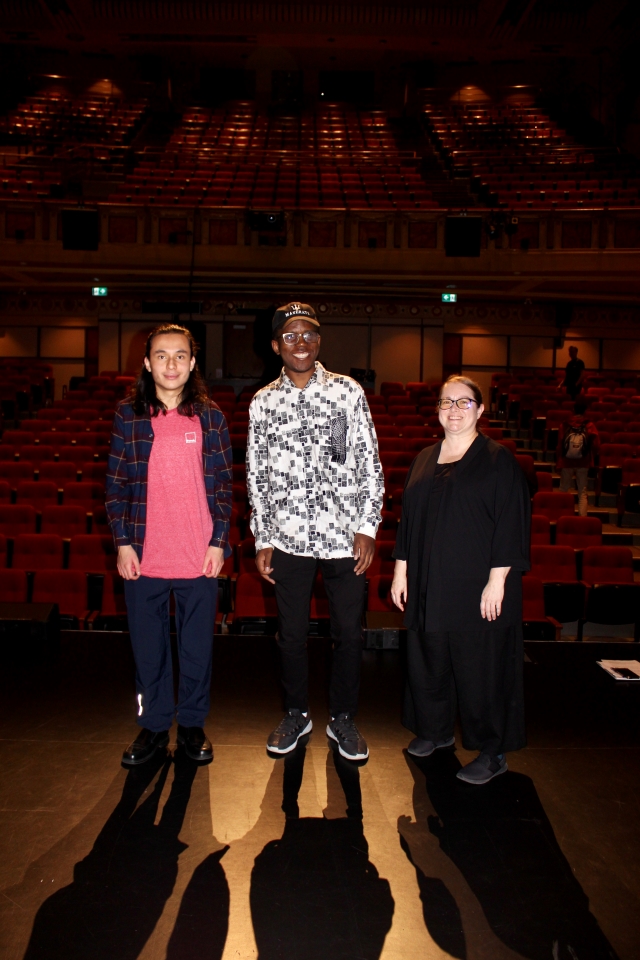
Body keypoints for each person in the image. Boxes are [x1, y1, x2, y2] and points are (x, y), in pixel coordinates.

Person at [246, 302, 384, 761]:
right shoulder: (263, 402)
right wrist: (263, 536)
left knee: (348, 632)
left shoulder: (348, 393)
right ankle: (296, 713)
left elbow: (369, 463)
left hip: (345, 537)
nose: (300, 342)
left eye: (308, 334)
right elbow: (257, 477)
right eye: (290, 335)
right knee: (291, 634)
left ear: (319, 341)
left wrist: (367, 526)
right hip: (288, 538)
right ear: (275, 345)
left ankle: (343, 718)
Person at [390, 376, 530, 785]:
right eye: (446, 402)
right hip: (429, 585)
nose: (453, 409)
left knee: (480, 669)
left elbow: (511, 523)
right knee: (429, 660)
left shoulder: (498, 460)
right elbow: (408, 522)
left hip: (477, 587)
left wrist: (497, 581)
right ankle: (434, 732)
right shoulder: (423, 458)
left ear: (480, 410)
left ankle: (492, 749)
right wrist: (401, 571)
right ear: (437, 409)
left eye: (463, 402)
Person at [106, 324, 232, 766]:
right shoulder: (129, 414)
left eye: (180, 356)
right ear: (147, 363)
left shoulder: (211, 417)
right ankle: (154, 727)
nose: (171, 364)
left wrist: (219, 542)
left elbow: (222, 487)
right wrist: (123, 543)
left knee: (197, 650)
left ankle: (193, 726)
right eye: (161, 356)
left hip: (198, 557)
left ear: (193, 363)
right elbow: (116, 485)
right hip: (144, 556)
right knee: (149, 651)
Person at [558, 401, 600, 517]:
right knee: (582, 492)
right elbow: (596, 445)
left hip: (567, 461)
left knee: (563, 490)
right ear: (585, 411)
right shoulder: (589, 425)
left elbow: (560, 445)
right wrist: (591, 456)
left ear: (573, 410)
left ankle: (561, 515)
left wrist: (559, 462)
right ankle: (583, 518)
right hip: (583, 461)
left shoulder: (565, 424)